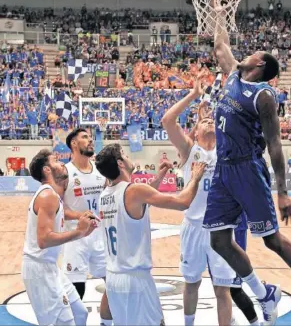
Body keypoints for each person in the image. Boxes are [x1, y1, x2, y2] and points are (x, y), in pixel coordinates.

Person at [203, 0, 291, 325]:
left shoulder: (263, 95)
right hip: (224, 169)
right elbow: (221, 47)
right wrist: (219, 16)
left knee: (271, 239)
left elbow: (275, 144)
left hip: (248, 168)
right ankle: (264, 293)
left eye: (254, 53)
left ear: (260, 64)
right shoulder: (233, 75)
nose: (247, 54)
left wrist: (283, 191)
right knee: (219, 240)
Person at [162, 70, 261, 326]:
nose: (208, 123)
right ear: (194, 132)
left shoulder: (227, 151)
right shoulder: (189, 151)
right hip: (193, 227)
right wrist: (193, 95)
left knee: (222, 289)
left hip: (220, 229)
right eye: (203, 122)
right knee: (191, 283)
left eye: (211, 122)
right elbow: (167, 121)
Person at [95, 144, 207, 326]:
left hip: (114, 279)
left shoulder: (105, 194)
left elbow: (141, 199)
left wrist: (160, 177)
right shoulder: (134, 191)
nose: (128, 156)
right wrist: (195, 178)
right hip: (135, 279)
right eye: (124, 154)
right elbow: (182, 202)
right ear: (120, 163)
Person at [22, 149, 96, 326]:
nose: (62, 163)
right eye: (56, 161)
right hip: (39, 269)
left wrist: (80, 216)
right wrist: (79, 232)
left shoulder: (52, 196)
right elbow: (44, 240)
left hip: (51, 267)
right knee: (65, 323)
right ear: (47, 170)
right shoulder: (48, 196)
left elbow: (60, 214)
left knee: (80, 313)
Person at [61, 128, 112, 326]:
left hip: (100, 236)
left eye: (90, 138)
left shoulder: (101, 170)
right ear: (74, 143)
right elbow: (57, 207)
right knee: (76, 290)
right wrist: (79, 215)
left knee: (114, 284)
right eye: (85, 137)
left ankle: (105, 323)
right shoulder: (65, 172)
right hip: (76, 237)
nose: (90, 141)